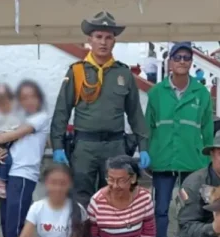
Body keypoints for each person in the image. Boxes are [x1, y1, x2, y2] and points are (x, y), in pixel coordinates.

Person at [50, 11, 149, 207]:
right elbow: (62, 111)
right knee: (81, 199)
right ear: (90, 40)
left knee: (116, 195)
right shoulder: (76, 71)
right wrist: (58, 146)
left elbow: (135, 114)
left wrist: (144, 147)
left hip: (115, 145)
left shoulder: (123, 73)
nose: (103, 42)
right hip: (85, 147)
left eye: (108, 37)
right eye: (99, 37)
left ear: (114, 42)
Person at [145, 41, 214, 237]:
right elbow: (148, 126)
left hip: (192, 161)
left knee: (190, 206)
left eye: (186, 58)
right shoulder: (156, 92)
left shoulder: (201, 93)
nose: (182, 61)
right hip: (163, 159)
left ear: (191, 63)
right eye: (178, 57)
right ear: (170, 62)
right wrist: (146, 152)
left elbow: (207, 128)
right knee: (161, 207)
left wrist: (210, 158)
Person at [0, 80, 51, 237]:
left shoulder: (41, 117)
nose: (29, 101)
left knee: (15, 225)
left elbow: (14, 134)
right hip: (7, 173)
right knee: (5, 221)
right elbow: (5, 139)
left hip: (23, 175)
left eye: (33, 96)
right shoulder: (16, 118)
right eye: (24, 97)